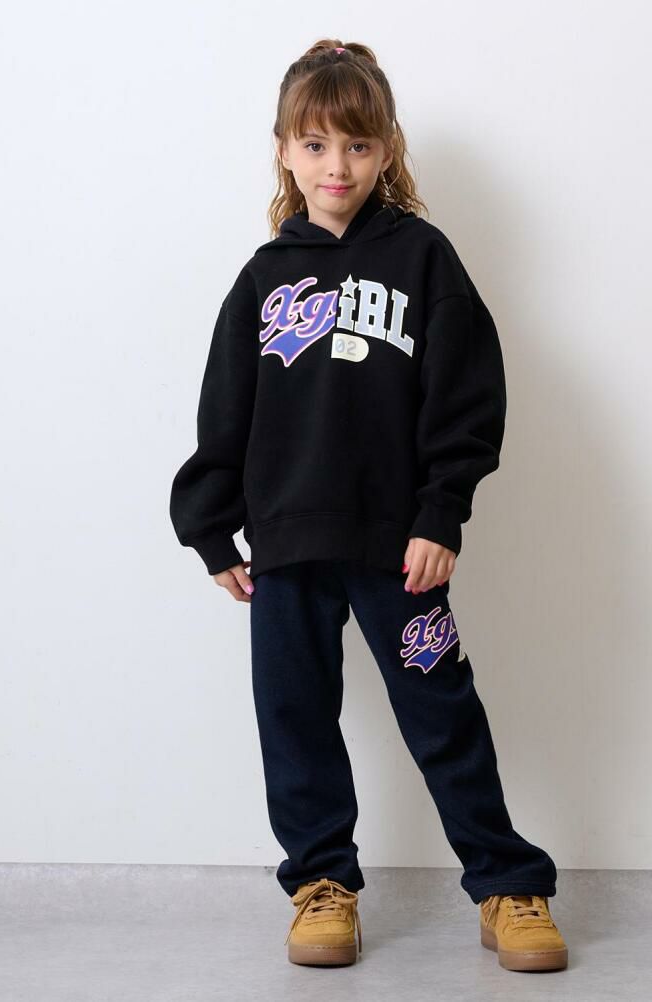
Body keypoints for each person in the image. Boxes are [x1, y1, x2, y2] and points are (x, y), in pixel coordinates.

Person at [169, 38, 568, 973]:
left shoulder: (424, 259)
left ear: (386, 148)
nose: (336, 166)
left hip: (399, 547)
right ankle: (321, 884)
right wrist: (210, 530)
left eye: (356, 145)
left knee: (443, 713)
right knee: (295, 718)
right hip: (286, 548)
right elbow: (225, 412)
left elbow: (466, 398)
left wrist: (441, 513)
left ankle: (508, 884)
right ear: (283, 151)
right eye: (315, 145)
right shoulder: (265, 277)